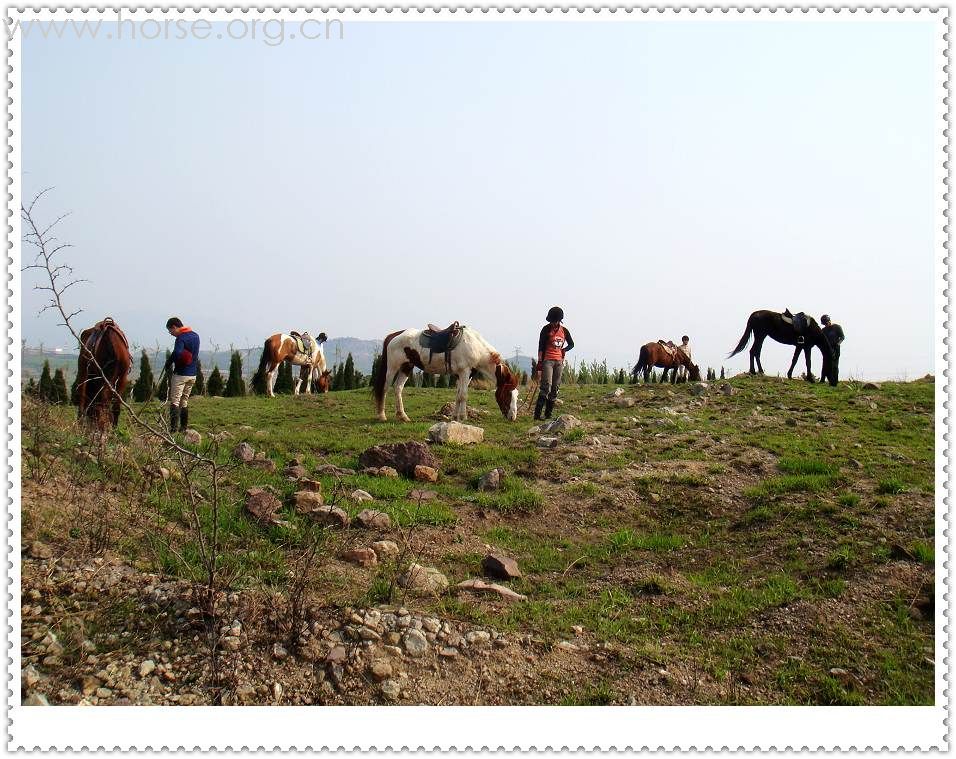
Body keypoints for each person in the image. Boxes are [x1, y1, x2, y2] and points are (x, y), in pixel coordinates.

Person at [534, 306, 574, 421]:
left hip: (559, 362)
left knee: (555, 387)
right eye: (551, 321)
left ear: (559, 320)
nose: (553, 323)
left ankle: (548, 414)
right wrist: (540, 363)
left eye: (555, 321)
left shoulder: (564, 331)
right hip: (548, 361)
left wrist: (564, 350)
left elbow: (571, 344)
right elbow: (541, 347)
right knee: (546, 386)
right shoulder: (545, 329)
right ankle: (537, 415)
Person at [165, 317, 200, 433]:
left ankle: (173, 430)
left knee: (175, 401)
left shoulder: (181, 338)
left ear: (174, 327)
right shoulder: (195, 335)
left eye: (170, 331)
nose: (171, 334)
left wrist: (169, 362)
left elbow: (177, 353)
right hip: (193, 374)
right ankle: (183, 428)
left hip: (181, 374)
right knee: (184, 401)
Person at [820, 314, 844, 383]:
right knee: (825, 364)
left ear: (829, 321)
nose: (826, 325)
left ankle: (835, 381)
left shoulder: (837, 327)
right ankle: (822, 380)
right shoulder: (823, 330)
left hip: (836, 349)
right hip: (827, 349)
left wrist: (837, 344)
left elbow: (842, 337)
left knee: (835, 365)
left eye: (826, 323)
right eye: (824, 324)